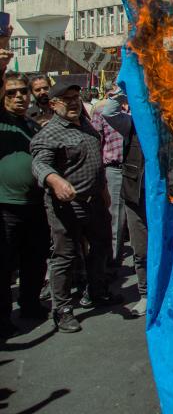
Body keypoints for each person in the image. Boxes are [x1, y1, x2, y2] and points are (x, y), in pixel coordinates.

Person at [30, 82, 121, 333]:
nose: (72, 102)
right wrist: (55, 180)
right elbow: (39, 164)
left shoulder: (87, 126)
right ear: (53, 104)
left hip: (95, 203)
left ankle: (97, 291)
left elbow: (97, 164)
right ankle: (62, 309)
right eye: (65, 98)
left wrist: (103, 191)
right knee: (65, 257)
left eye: (75, 97)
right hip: (66, 206)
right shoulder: (49, 133)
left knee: (101, 247)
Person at [0, 72, 49, 337]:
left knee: (35, 258)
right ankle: (2, 317)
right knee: (4, 265)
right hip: (5, 205)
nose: (19, 96)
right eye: (11, 92)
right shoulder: (2, 123)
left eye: (22, 91)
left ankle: (30, 304)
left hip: (34, 204)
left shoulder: (32, 126)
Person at [99, 88, 149, 316]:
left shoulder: (170, 126)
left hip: (167, 201)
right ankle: (145, 294)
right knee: (141, 249)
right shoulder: (131, 124)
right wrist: (124, 90)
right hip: (136, 195)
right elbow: (108, 111)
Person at [91, 87, 127, 266]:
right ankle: (112, 265)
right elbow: (96, 143)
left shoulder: (137, 110)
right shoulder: (101, 112)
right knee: (116, 220)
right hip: (115, 170)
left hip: (139, 171)